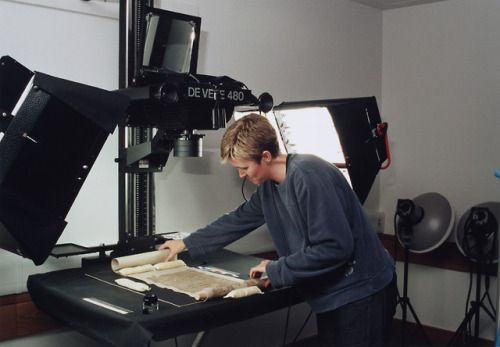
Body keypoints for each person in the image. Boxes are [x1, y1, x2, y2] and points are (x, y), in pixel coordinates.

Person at [160, 113, 397, 346]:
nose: (241, 174)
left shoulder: (309, 177)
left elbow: (335, 247)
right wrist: (187, 243)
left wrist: (277, 268)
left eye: (244, 167)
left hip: (362, 290)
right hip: (332, 294)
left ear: (265, 156)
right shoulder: (269, 189)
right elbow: (237, 219)